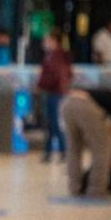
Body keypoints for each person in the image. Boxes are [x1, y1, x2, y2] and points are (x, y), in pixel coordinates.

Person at [59, 88, 111, 197]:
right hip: (84, 104)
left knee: (74, 149)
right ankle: (96, 190)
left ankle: (75, 188)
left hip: (67, 102)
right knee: (102, 150)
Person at [36, 27, 73, 162]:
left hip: (55, 94)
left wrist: (41, 85)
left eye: (47, 39)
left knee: (55, 123)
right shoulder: (58, 55)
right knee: (51, 124)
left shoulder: (56, 56)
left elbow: (53, 76)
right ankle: (49, 152)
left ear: (54, 41)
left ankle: (63, 151)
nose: (44, 42)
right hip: (56, 92)